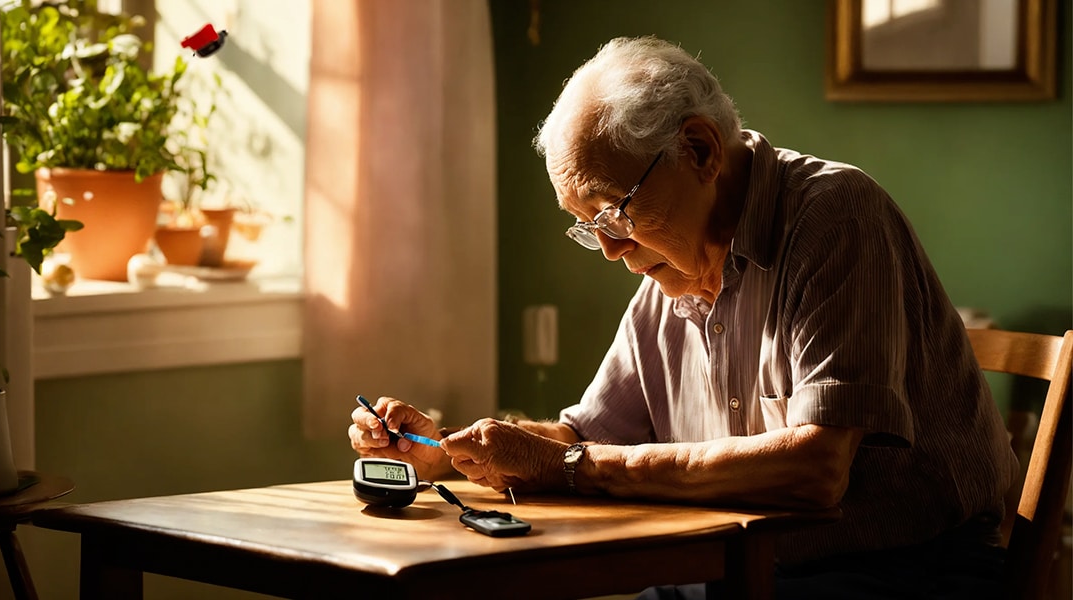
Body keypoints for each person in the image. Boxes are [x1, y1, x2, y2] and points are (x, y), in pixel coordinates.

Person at [348, 36, 1017, 599]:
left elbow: (815, 472)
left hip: (909, 572)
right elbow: (582, 440)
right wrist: (447, 452)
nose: (609, 249)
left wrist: (575, 465)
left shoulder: (836, 218)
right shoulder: (668, 271)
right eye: (586, 227)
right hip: (740, 570)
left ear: (699, 151)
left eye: (613, 213)